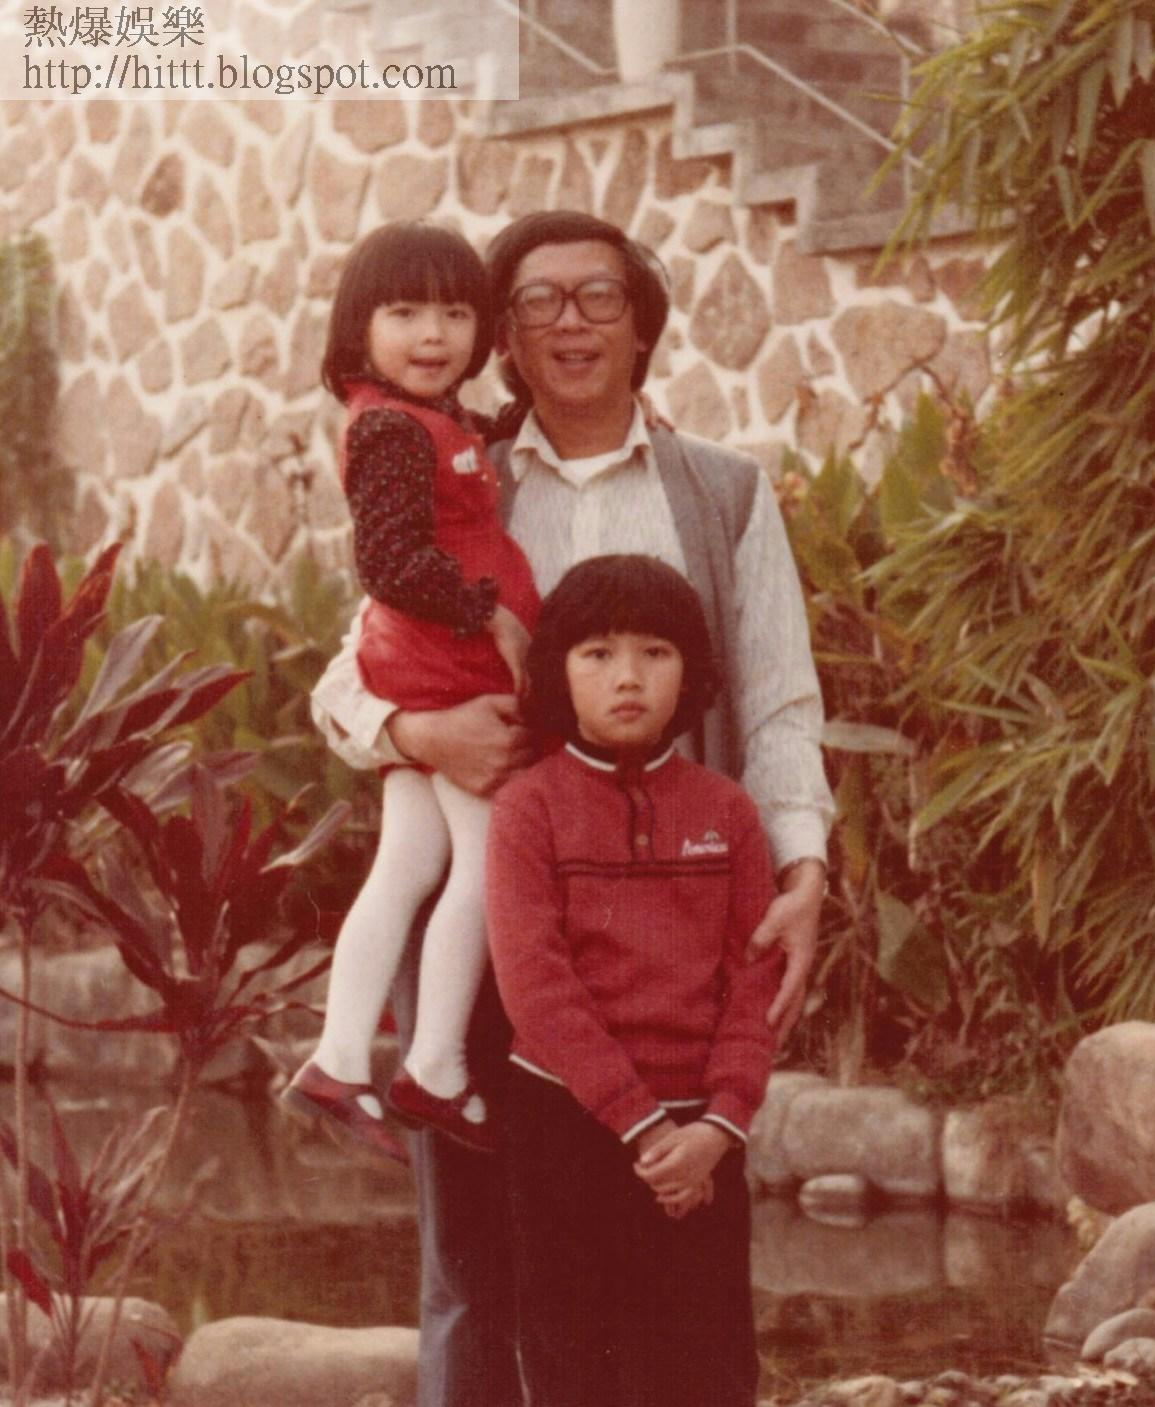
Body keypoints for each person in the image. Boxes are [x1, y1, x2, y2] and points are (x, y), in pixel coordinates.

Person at [310, 209, 832, 1407]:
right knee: (473, 1255)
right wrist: (416, 734)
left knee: (672, 1241)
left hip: (675, 929)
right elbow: (350, 674)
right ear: (502, 336)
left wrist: (803, 874)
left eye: (600, 296)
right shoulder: (451, 469)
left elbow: (780, 699)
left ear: (644, 323)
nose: (571, 324)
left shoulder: (722, 492)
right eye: (536, 301)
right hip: (484, 910)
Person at [488, 553, 781, 1407]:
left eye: (656, 652)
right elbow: (535, 987)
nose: (628, 677)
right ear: (559, 670)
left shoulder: (727, 812)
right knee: (577, 1364)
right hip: (567, 1121)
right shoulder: (529, 808)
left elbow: (754, 981)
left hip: (703, 1134)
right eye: (599, 654)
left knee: (708, 1367)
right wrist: (644, 1126)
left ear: (690, 670)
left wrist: (720, 1125)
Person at [284, 222, 541, 1162]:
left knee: (406, 865)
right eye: (404, 313)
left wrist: (516, 420)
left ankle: (339, 1057)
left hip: (423, 666)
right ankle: (434, 1064)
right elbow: (389, 560)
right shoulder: (391, 429)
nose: (433, 334)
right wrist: (490, 615)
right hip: (449, 665)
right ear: (360, 328)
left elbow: (466, 459)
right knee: (485, 865)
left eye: (456, 313)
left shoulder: (423, 417)